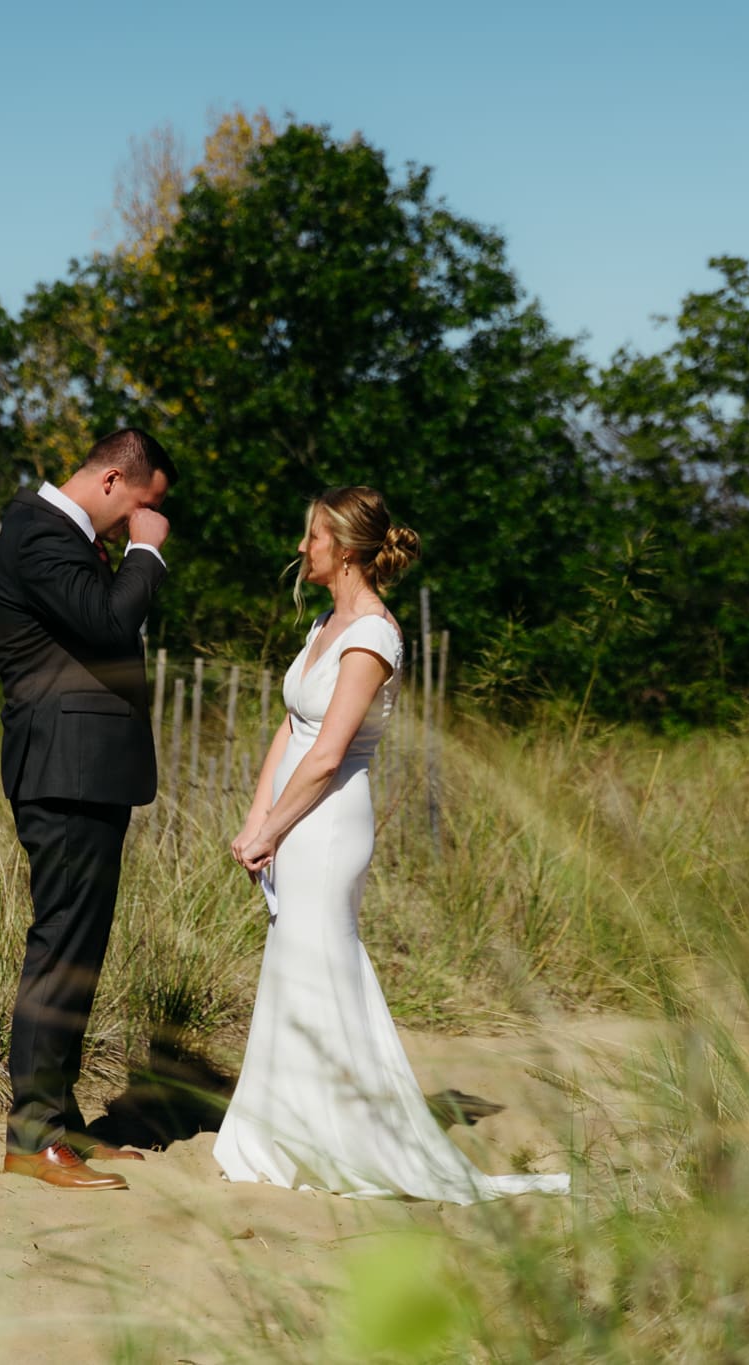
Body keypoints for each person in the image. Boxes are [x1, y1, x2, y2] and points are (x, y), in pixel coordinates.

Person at [216, 486, 570, 1202]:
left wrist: (276, 829)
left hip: (327, 823)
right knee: (295, 969)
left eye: (312, 536)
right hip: (291, 818)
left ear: (345, 549)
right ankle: (289, 1127)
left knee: (321, 964)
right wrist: (254, 821)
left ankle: (341, 1138)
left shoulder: (373, 634)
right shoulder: (324, 621)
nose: (301, 548)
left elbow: (326, 754)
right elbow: (291, 728)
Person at [0, 428, 176, 1191]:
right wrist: (148, 553)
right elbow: (105, 622)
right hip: (61, 777)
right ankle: (31, 1138)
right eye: (142, 504)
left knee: (80, 952)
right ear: (110, 483)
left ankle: (60, 1121)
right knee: (59, 949)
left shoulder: (64, 536)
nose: (144, 519)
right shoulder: (37, 532)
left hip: (89, 776)